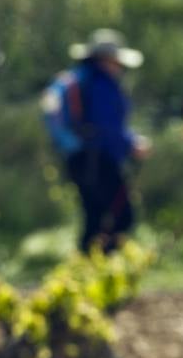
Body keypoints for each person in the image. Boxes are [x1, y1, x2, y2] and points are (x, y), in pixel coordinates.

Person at [42, 28, 151, 253]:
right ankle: (102, 272)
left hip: (77, 158)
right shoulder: (102, 85)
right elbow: (108, 129)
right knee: (122, 217)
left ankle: (85, 274)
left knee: (94, 216)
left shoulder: (83, 79)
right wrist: (132, 145)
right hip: (98, 159)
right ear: (106, 60)